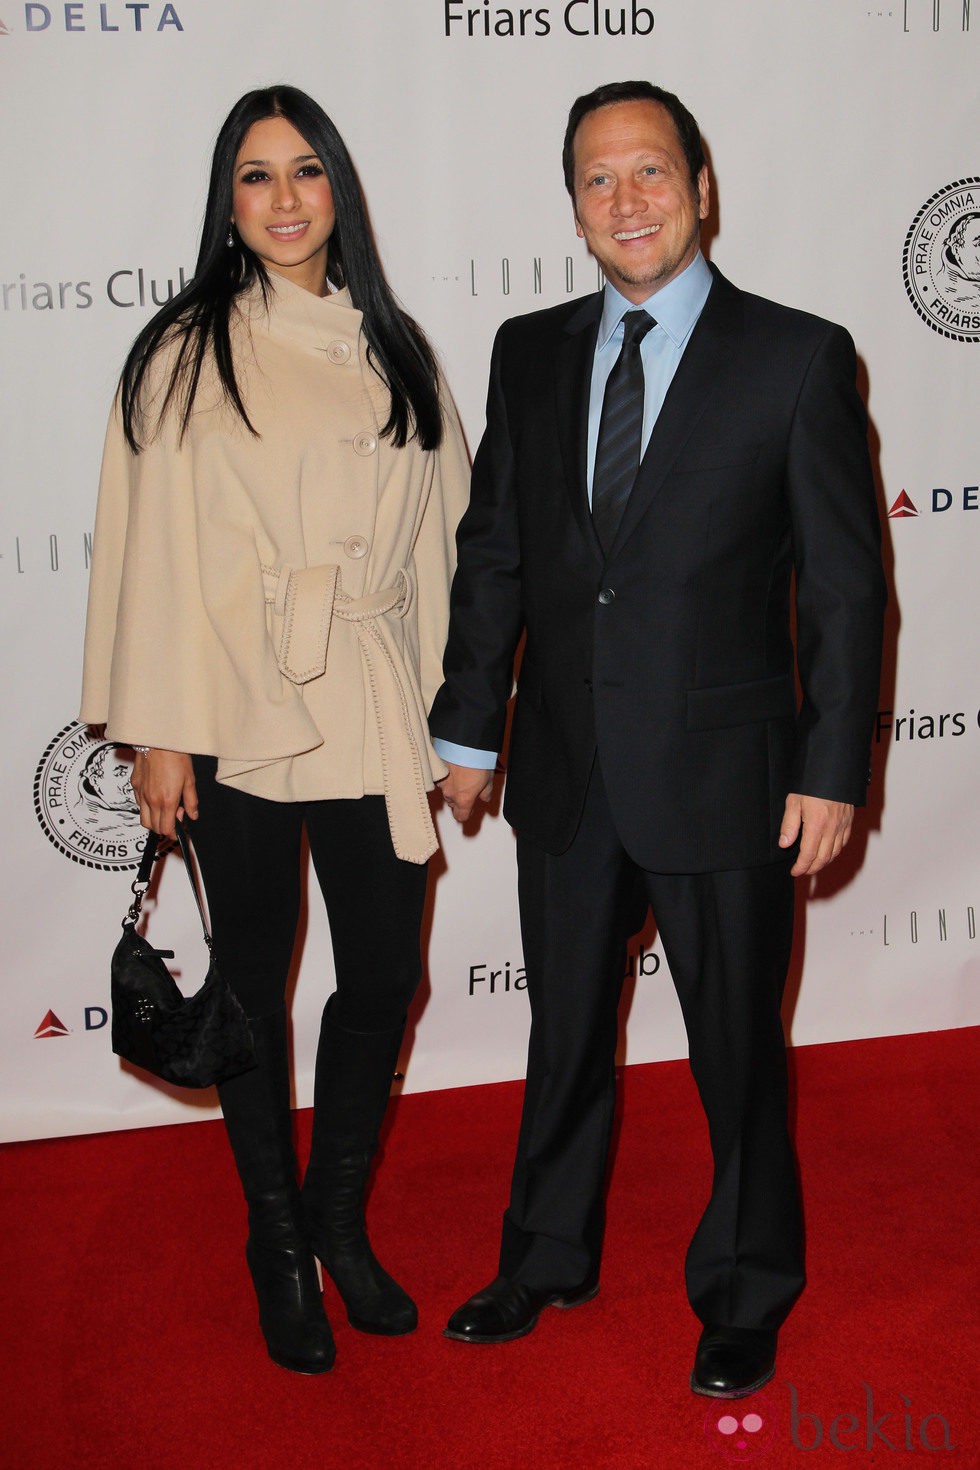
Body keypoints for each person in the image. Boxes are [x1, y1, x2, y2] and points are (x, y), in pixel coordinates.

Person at [430, 80, 885, 1398]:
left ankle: (747, 1285)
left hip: (728, 772)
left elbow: (848, 589)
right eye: (595, 179)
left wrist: (832, 764)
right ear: (573, 207)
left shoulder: (796, 356)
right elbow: (498, 552)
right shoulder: (526, 352)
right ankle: (546, 1252)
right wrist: (469, 721)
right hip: (567, 772)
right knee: (564, 1031)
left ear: (702, 185)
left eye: (648, 171)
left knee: (737, 1045)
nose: (625, 198)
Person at [81, 85, 469, 1375]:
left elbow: (450, 544)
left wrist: (461, 720)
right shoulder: (183, 352)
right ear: (226, 201)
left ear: (340, 188)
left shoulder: (396, 345)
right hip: (237, 708)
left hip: (371, 699)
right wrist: (158, 733)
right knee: (252, 988)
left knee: (381, 973)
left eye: (308, 172)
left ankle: (338, 1223)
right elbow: (148, 557)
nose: (288, 200)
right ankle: (276, 1244)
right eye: (258, 177)